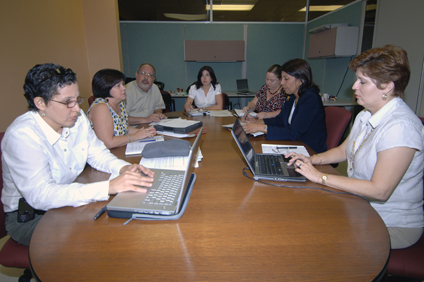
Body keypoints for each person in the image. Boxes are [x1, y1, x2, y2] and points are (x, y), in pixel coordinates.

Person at [1, 63, 155, 246]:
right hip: (33, 216)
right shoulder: (22, 136)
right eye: (68, 102)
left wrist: (124, 168)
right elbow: (41, 195)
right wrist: (108, 187)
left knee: (125, 219)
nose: (77, 109)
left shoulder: (76, 118)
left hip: (69, 199)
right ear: (40, 103)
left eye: (77, 99)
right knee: (102, 237)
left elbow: (97, 152)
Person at [287, 45, 424, 249]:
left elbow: (380, 191)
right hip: (360, 206)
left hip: (390, 223)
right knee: (299, 214)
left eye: (362, 82)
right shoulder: (366, 115)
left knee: (311, 235)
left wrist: (320, 177)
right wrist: (312, 160)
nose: (354, 87)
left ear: (387, 86)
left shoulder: (401, 127)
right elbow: (343, 151)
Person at [242, 59, 327, 154]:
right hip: (295, 144)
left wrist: (261, 128)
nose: (282, 82)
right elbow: (280, 120)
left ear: (301, 80)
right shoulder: (292, 97)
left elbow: (294, 132)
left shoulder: (310, 99)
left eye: (286, 79)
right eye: (282, 78)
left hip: (310, 149)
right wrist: (258, 122)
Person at [86, 69, 156, 149]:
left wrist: (144, 132)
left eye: (122, 84)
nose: (124, 88)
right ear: (105, 88)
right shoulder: (100, 108)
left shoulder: (120, 103)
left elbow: (125, 129)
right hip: (101, 154)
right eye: (118, 86)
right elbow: (108, 143)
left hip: (118, 149)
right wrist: (136, 136)